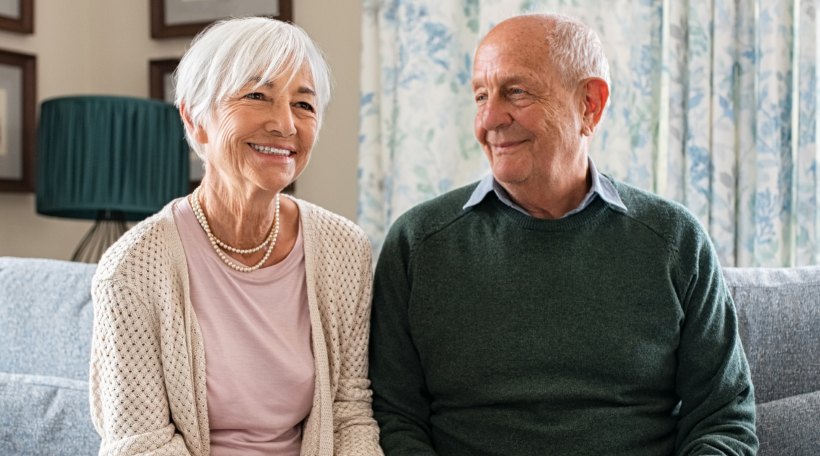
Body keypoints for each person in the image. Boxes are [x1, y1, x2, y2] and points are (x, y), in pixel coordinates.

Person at [368, 12, 757, 456]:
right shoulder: (418, 244)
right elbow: (393, 418)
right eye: (480, 96)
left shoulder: (673, 240)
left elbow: (723, 416)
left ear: (590, 104)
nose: (490, 118)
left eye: (515, 91)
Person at [89, 17, 383, 456]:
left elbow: (350, 412)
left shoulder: (345, 249)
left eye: (304, 104)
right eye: (257, 96)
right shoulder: (131, 270)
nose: (285, 124)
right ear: (196, 118)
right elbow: (140, 444)